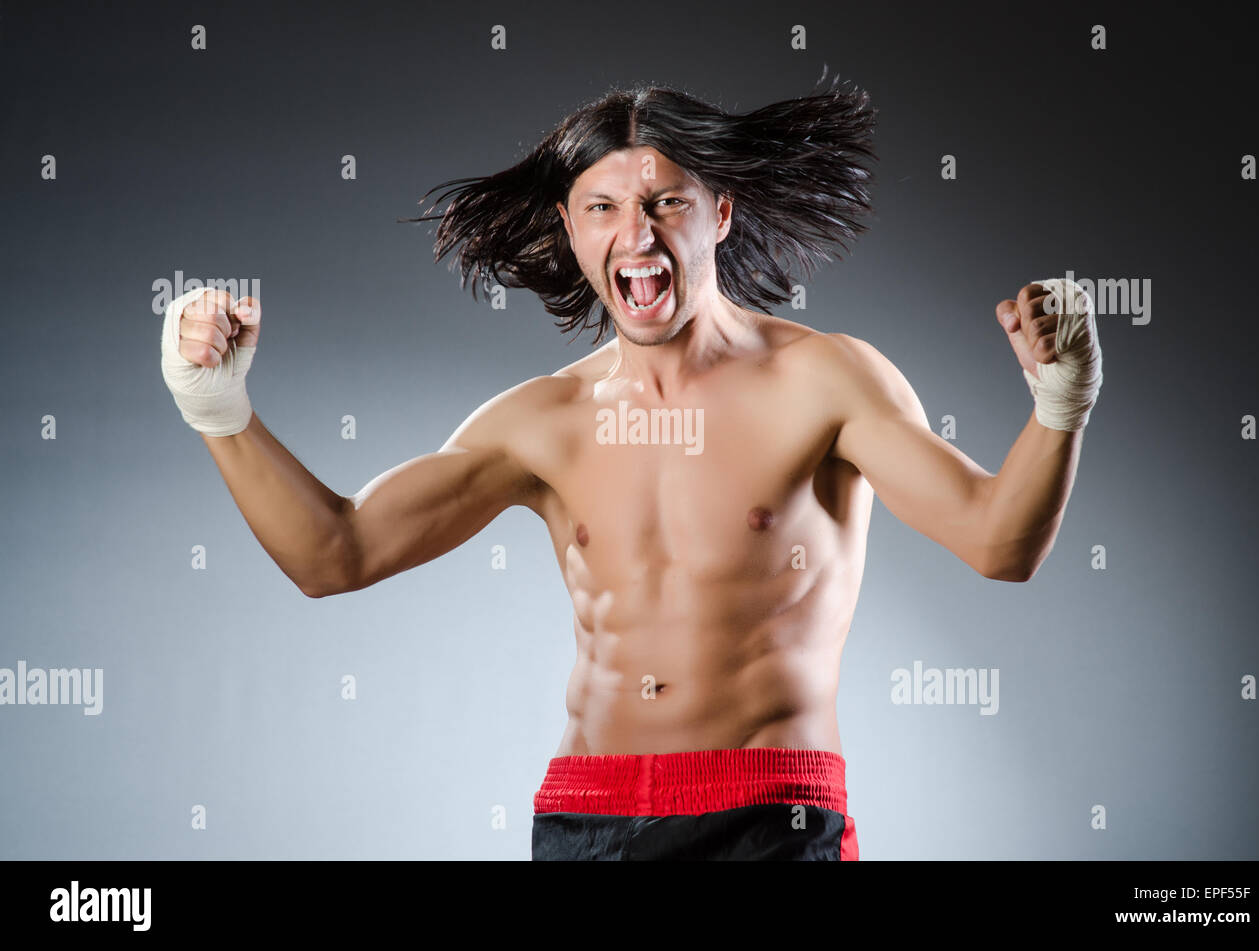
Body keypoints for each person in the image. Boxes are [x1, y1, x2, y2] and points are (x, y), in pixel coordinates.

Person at [158, 73, 1101, 861]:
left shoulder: (824, 380)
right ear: (571, 230)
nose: (636, 235)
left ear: (719, 213)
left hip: (769, 817)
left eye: (665, 203)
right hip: (586, 820)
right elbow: (338, 553)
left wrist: (1059, 408)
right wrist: (218, 409)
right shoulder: (545, 420)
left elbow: (995, 542)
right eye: (603, 208)